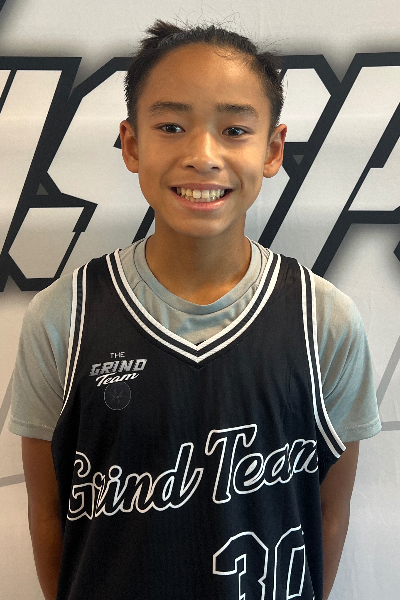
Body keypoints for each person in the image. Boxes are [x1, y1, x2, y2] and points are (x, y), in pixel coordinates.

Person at [9, 20, 381, 600]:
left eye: (234, 130)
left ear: (272, 150)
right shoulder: (65, 318)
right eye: (171, 126)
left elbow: (328, 515)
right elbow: (48, 513)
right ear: (133, 145)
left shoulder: (324, 320)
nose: (203, 156)